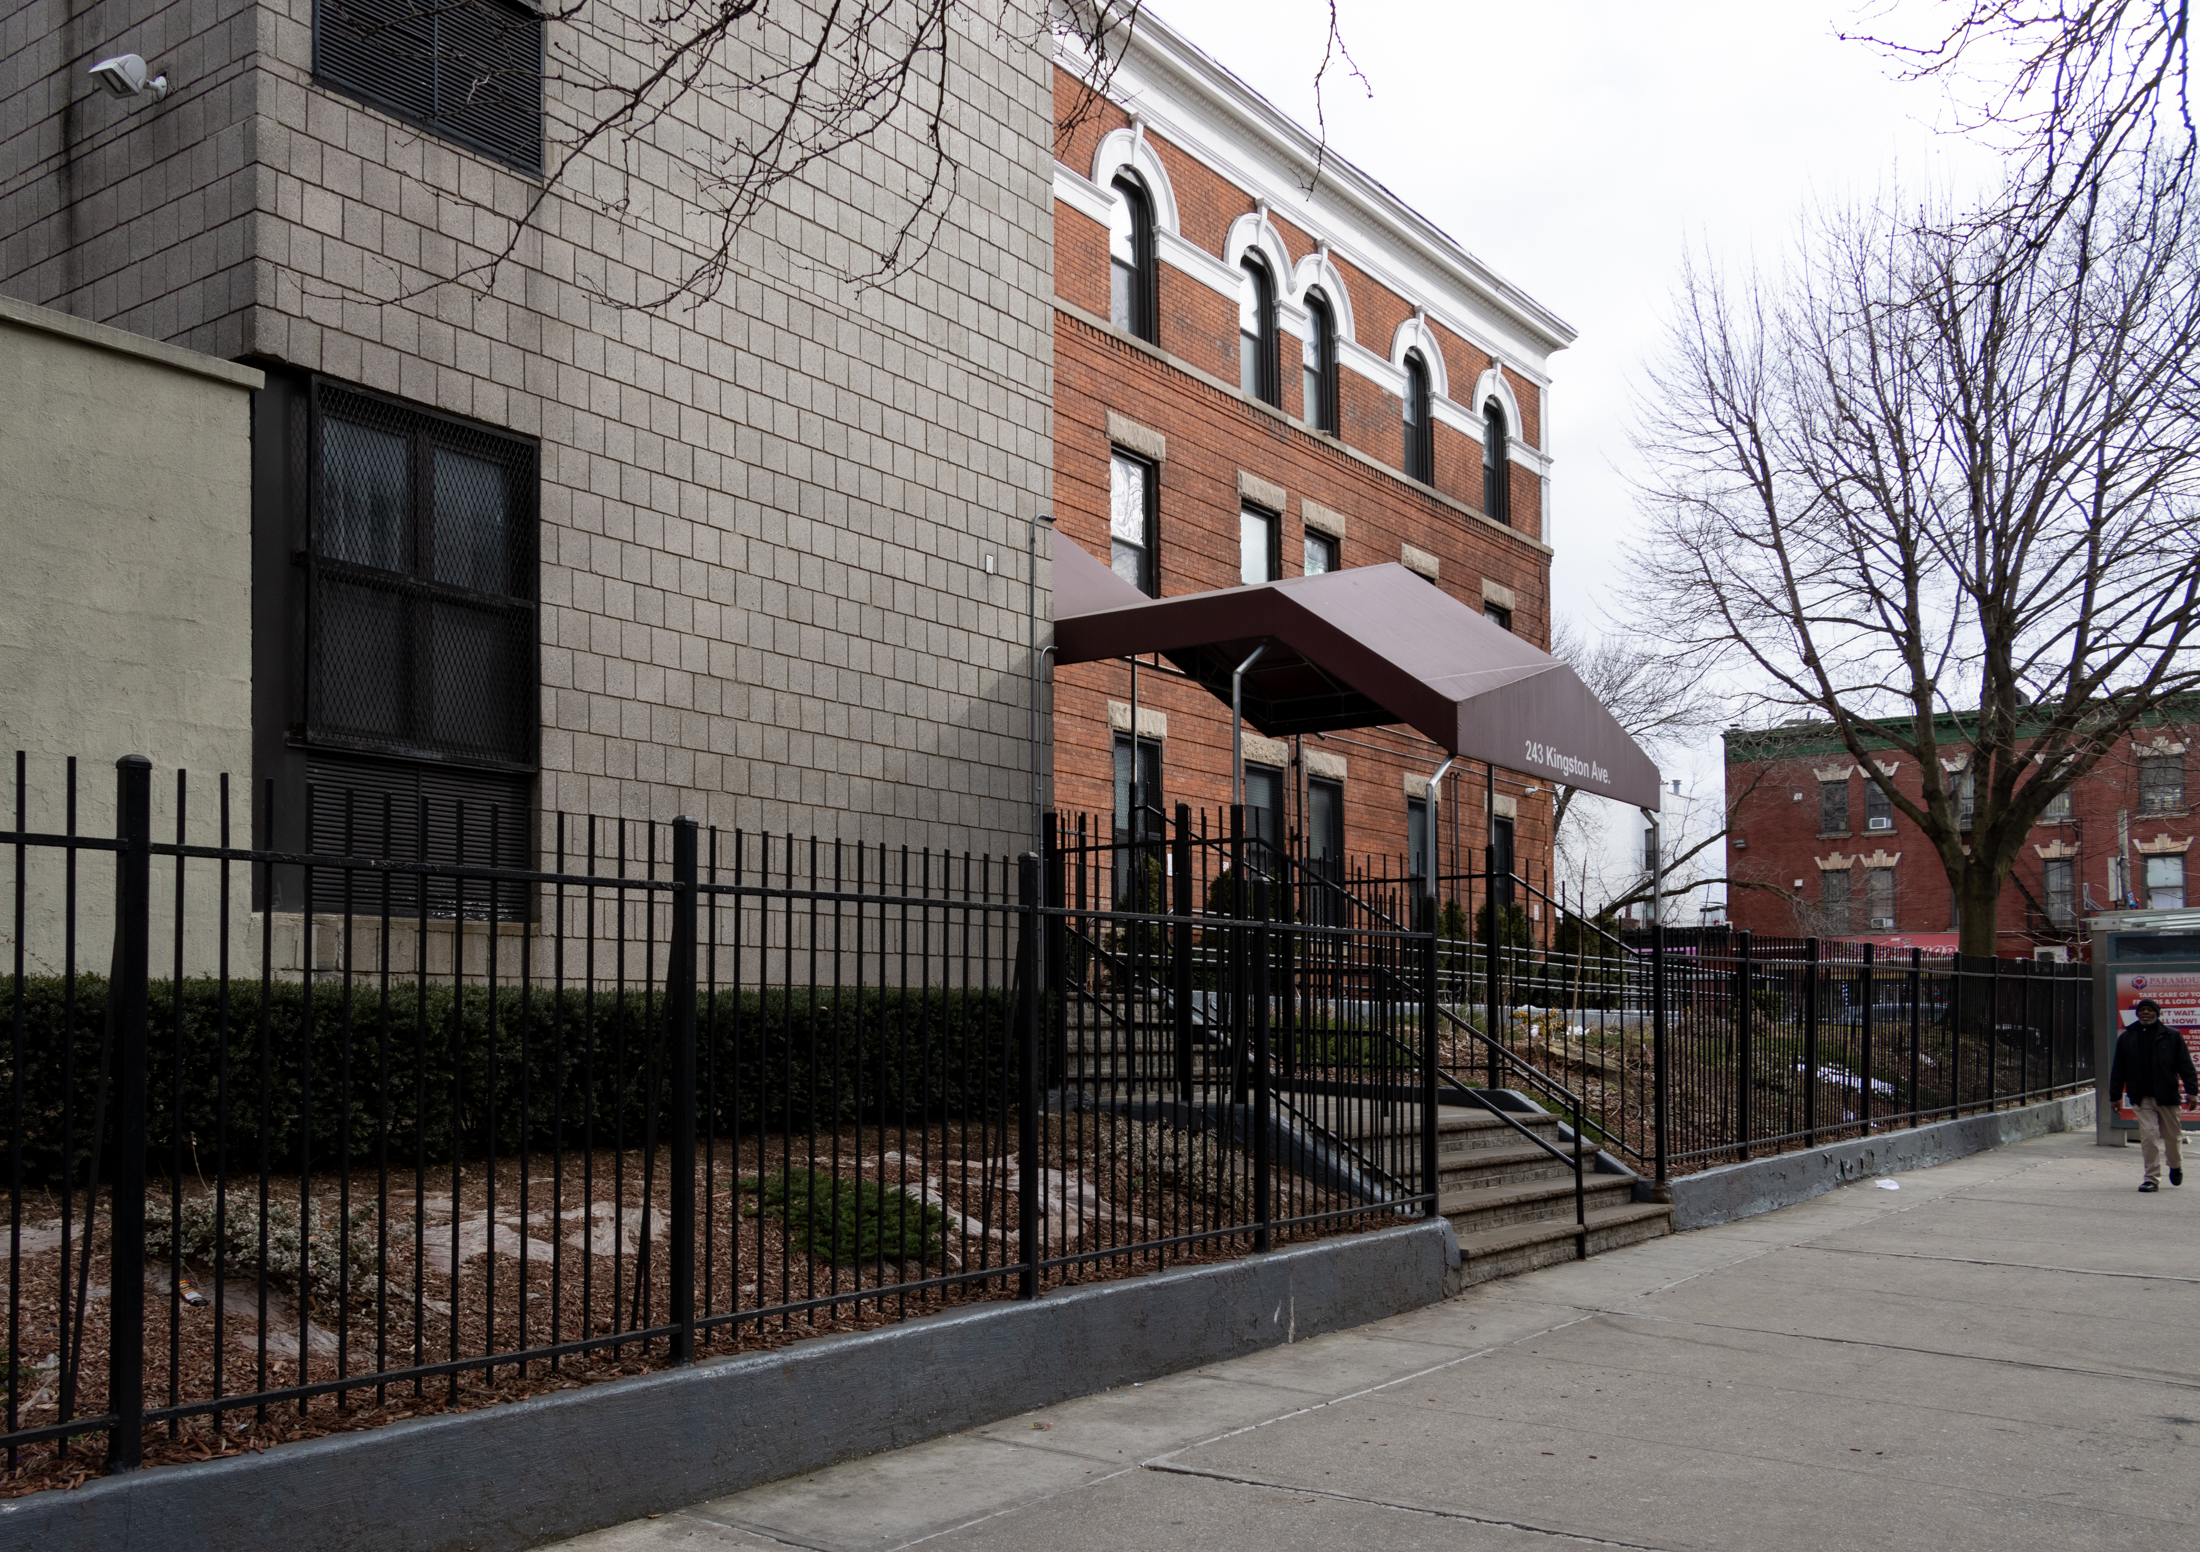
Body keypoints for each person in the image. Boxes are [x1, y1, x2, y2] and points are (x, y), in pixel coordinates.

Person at [2109, 998, 2198, 1193]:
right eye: (2143, 1010)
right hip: (2142, 1097)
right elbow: (2119, 1069)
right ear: (2138, 1013)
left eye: (2150, 1010)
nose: (2146, 1013)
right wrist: (2114, 1096)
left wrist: (2192, 1092)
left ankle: (2175, 1166)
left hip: (2167, 1096)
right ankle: (2151, 1178)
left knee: (2173, 1137)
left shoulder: (2172, 1036)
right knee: (2148, 1136)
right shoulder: (2127, 1037)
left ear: (2157, 1013)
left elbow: (2185, 1065)